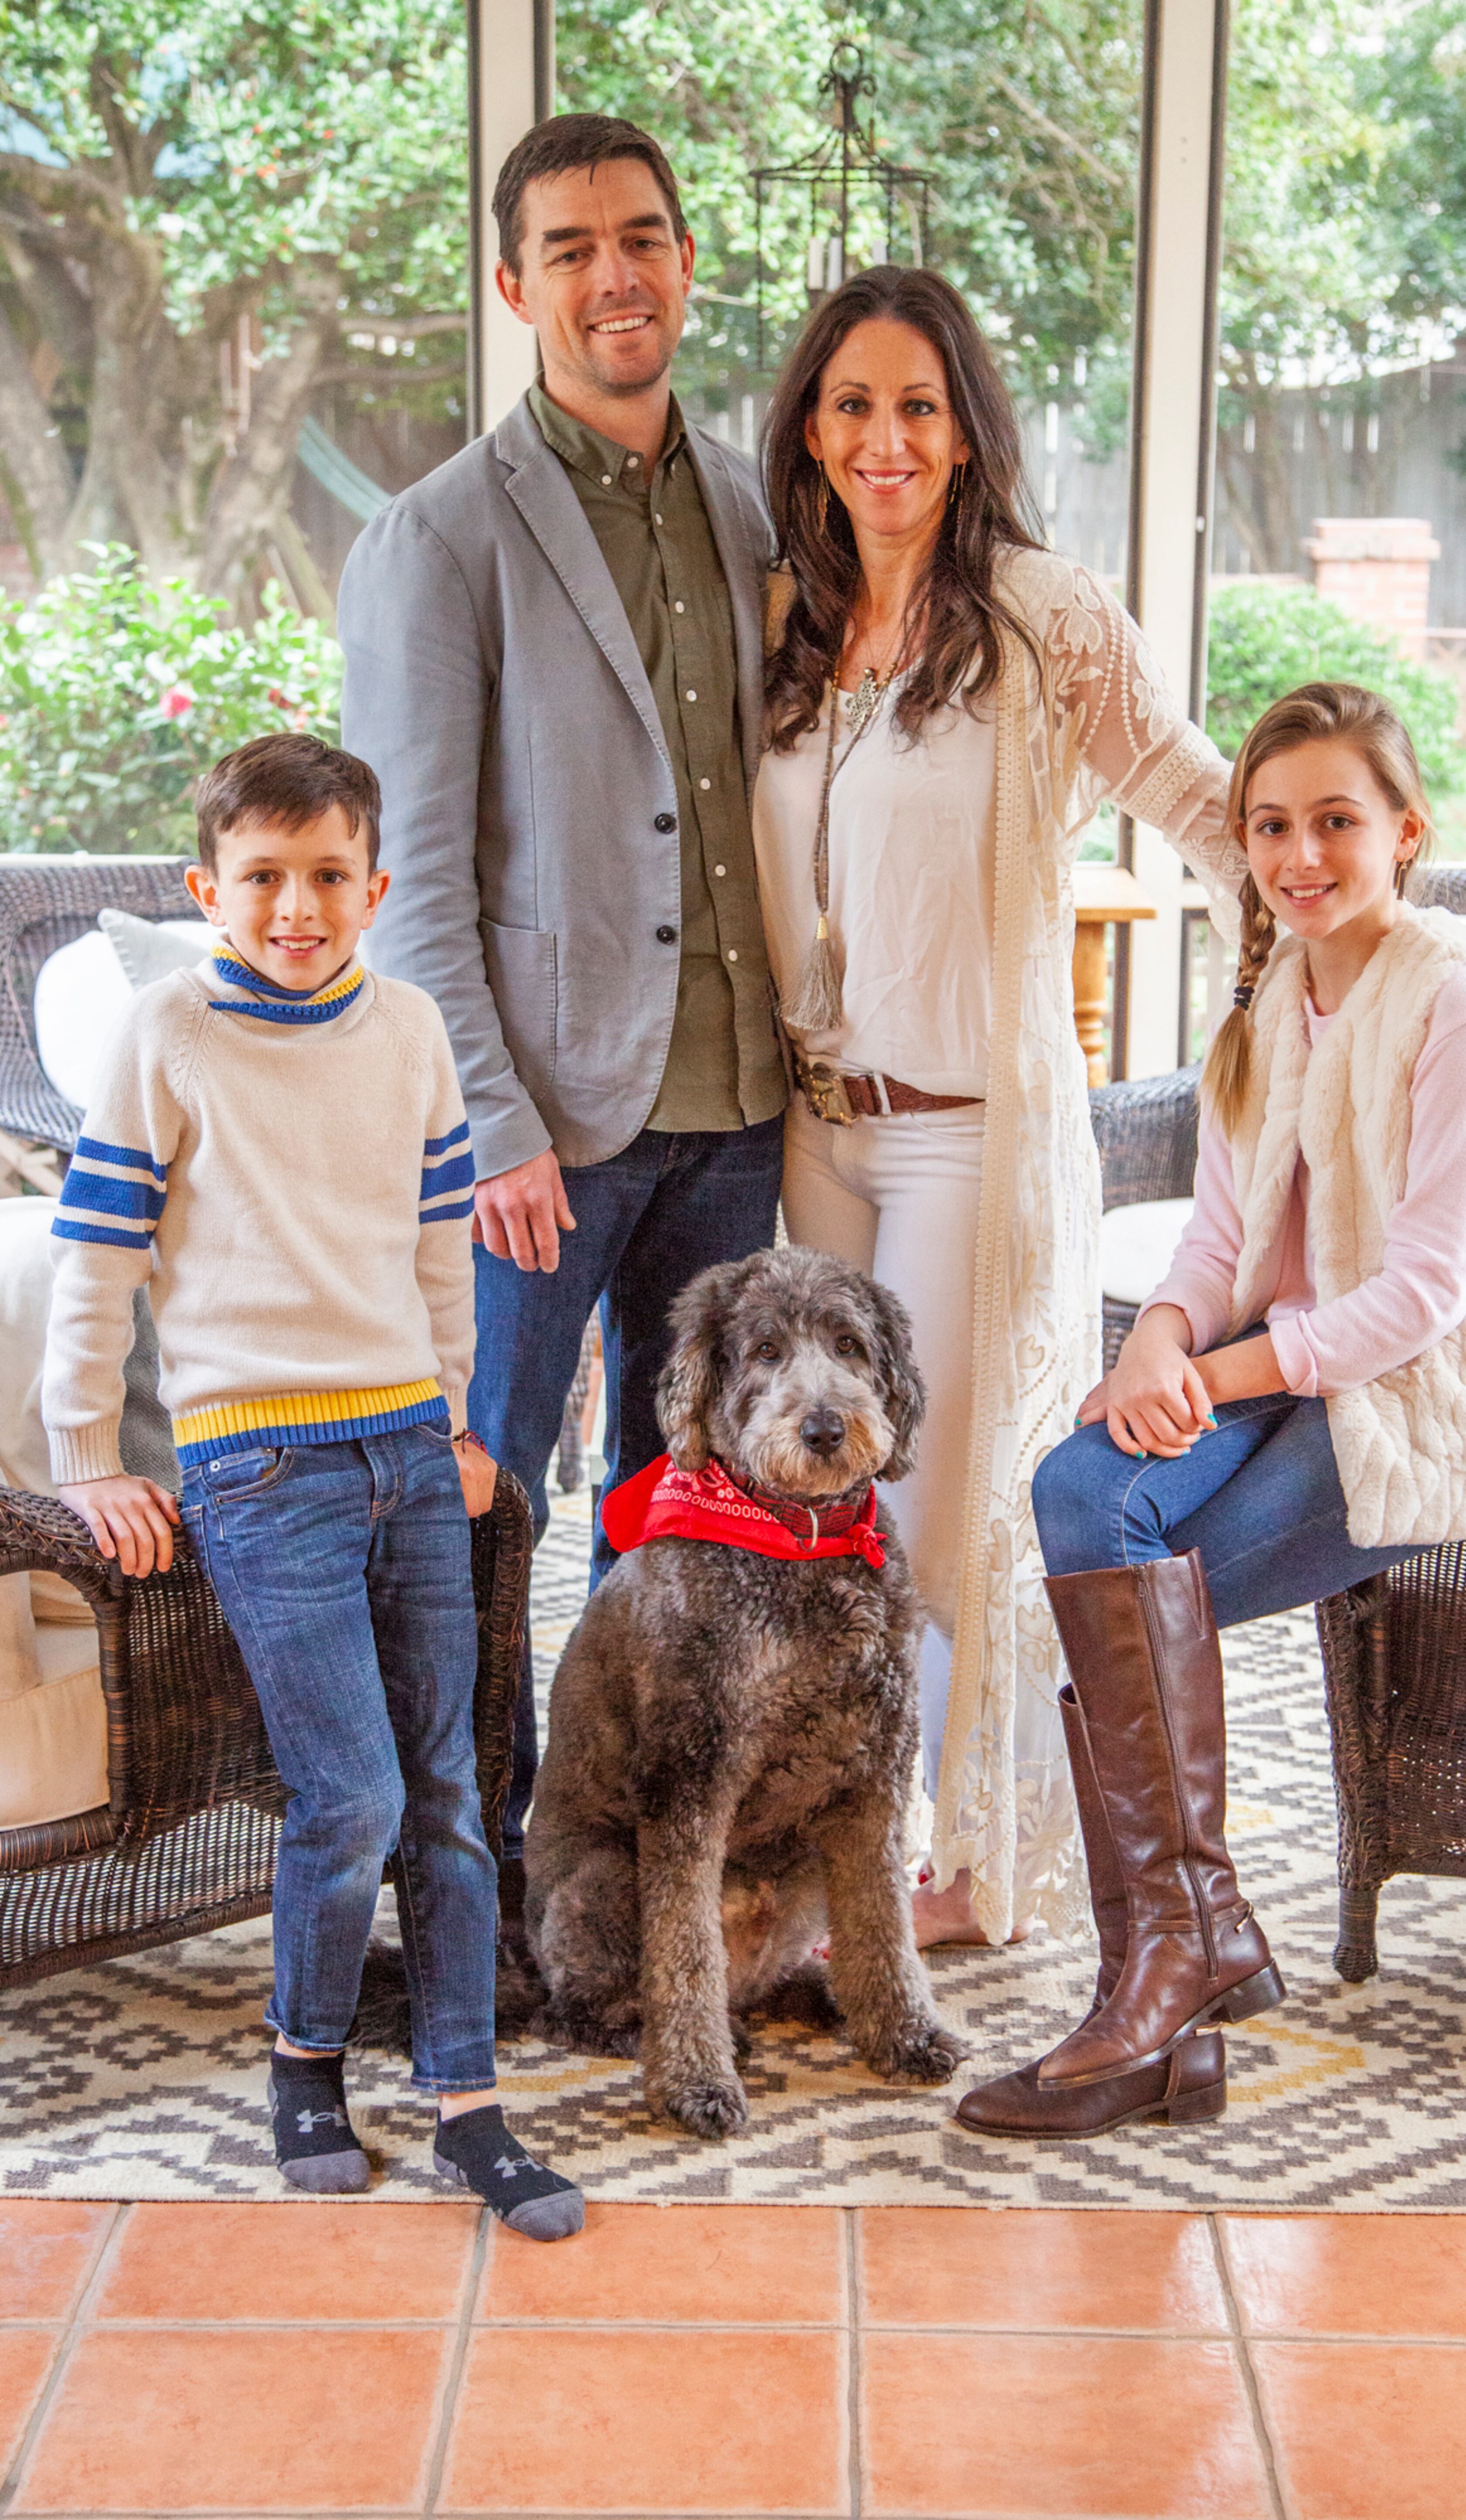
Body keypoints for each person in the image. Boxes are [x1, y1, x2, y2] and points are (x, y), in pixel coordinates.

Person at [957, 680, 1466, 2136]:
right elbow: (1217, 1242)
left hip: (1450, 1399)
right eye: (1271, 826)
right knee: (1083, 1495)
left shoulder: (1461, 1007)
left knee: (1128, 1592)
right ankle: (1180, 1985)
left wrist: (1213, 1373)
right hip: (1307, 1361)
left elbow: (1426, 1298)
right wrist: (1162, 1346)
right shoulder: (1272, 1000)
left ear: (1405, 831)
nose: (1300, 856)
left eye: (1336, 821)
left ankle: (1163, 1977)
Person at [751, 265, 1245, 1949]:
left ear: (965, 434)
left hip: (970, 1130)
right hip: (817, 1133)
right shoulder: (789, 620)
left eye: (917, 408)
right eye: (851, 408)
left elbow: (1191, 790)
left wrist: (1337, 898)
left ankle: (965, 1864)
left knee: (935, 1500)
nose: (884, 441)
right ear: (809, 433)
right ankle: (850, 1842)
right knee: (817, 1508)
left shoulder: (1041, 613)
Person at [337, 114, 785, 1931]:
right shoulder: (436, 539)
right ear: (517, 284)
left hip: (741, 1108)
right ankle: (457, 1887)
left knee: (673, 1520)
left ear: (686, 264)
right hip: (538, 1129)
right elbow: (413, 877)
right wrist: (493, 1128)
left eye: (647, 237)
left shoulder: (758, 501)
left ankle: (619, 1869)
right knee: (478, 1510)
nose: (618, 272)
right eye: (575, 245)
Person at [41, 733, 582, 2236]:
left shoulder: (410, 1031)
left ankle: (468, 2102)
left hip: (408, 1448)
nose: (298, 906)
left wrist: (468, 1425)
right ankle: (304, 2063)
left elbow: (437, 1245)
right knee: (347, 1793)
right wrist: (88, 1455)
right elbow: (98, 1260)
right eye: (264, 878)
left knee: (454, 1791)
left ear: (375, 888)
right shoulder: (166, 1036)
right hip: (256, 1463)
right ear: (211, 889)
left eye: (328, 876)